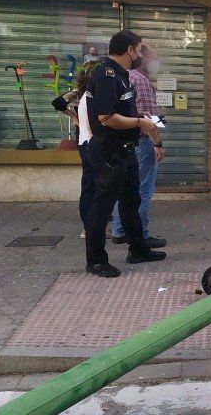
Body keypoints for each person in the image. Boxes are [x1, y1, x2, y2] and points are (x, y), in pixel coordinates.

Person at [83, 30, 166, 277]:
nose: (141, 55)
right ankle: (96, 260)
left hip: (125, 151)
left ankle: (138, 249)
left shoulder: (121, 76)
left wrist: (138, 120)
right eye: (139, 49)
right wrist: (140, 123)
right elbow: (106, 118)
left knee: (132, 202)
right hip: (110, 151)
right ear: (129, 50)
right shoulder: (106, 76)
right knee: (102, 206)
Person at [111, 44, 166, 249]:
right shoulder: (141, 81)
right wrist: (157, 144)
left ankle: (119, 230)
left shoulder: (123, 76)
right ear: (140, 56)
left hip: (125, 141)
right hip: (143, 141)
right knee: (143, 190)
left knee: (125, 188)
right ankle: (141, 234)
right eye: (154, 58)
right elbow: (150, 120)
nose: (156, 63)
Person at [52, 60, 97, 234]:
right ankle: (88, 226)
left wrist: (74, 115)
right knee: (90, 183)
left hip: (87, 139)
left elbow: (57, 103)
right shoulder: (80, 93)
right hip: (86, 140)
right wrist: (74, 116)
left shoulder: (87, 92)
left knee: (93, 183)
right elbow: (57, 102)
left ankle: (94, 222)